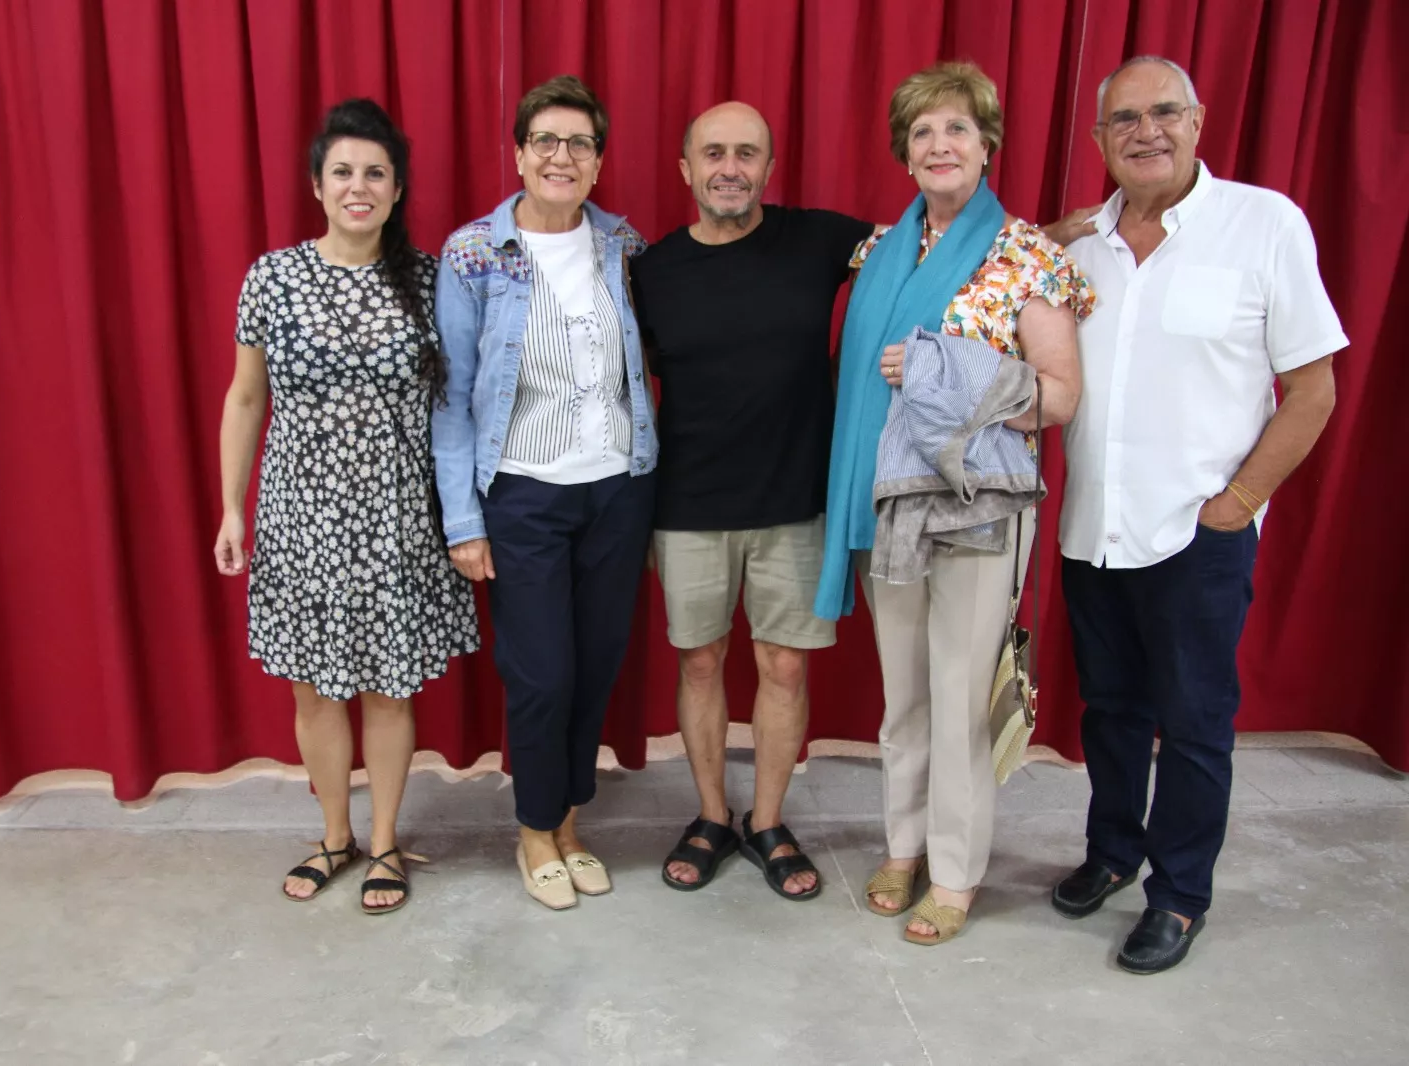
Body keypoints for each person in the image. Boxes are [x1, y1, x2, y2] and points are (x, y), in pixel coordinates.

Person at [1050, 56, 1345, 974]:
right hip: (1092, 529)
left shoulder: (1263, 224)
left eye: (1164, 113)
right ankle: (1112, 852)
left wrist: (1241, 503)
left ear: (1199, 119)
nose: (1147, 132)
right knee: (1109, 712)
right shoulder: (1079, 245)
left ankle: (1179, 894)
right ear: (1099, 142)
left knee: (1194, 721)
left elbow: (1312, 389)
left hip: (1198, 534)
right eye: (1125, 121)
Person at [816, 62, 1092, 944]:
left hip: (977, 510)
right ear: (905, 153)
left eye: (958, 131)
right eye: (924, 132)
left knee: (961, 691)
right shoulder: (878, 251)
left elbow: (1058, 397)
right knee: (905, 696)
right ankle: (902, 846)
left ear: (986, 147)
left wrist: (950, 371)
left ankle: (957, 868)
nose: (941, 145)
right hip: (890, 503)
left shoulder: (1027, 256)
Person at [215, 100, 480, 913]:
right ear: (317, 186)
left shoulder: (432, 280)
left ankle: (388, 843)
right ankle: (335, 835)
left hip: (398, 516)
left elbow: (464, 400)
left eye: (375, 173)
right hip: (300, 516)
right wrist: (233, 509)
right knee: (315, 689)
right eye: (343, 172)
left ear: (397, 189)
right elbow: (245, 398)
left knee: (389, 689)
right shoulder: (272, 277)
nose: (358, 187)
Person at [631, 102, 873, 900]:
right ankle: (710, 815)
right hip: (688, 500)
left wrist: (1058, 234)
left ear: (769, 167)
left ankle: (767, 821)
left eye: (746, 153)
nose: (729, 167)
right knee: (699, 661)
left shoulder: (824, 240)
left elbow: (936, 253)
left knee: (783, 668)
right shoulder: (651, 269)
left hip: (796, 502)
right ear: (686, 169)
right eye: (712, 153)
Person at [431, 75, 658, 911]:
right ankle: (533, 829)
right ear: (520, 153)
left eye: (581, 144)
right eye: (547, 142)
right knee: (541, 673)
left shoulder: (620, 244)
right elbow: (450, 399)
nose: (563, 157)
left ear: (599, 162)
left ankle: (569, 820)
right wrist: (463, 521)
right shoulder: (473, 254)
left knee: (596, 665)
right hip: (522, 495)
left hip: (617, 488)